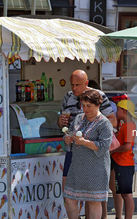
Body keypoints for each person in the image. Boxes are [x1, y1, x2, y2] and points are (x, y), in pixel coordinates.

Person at [57, 70, 116, 217]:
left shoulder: (102, 112)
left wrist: (85, 141)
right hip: (77, 163)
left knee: (93, 201)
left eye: (88, 106)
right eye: (72, 85)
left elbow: (106, 139)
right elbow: (68, 131)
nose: (85, 109)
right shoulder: (75, 110)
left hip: (95, 165)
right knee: (69, 197)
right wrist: (66, 135)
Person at [110, 100, 137, 219]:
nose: (116, 112)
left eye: (118, 109)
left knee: (127, 195)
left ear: (124, 111)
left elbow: (127, 146)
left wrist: (113, 150)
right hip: (119, 163)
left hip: (124, 164)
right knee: (122, 193)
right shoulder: (124, 125)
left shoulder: (129, 125)